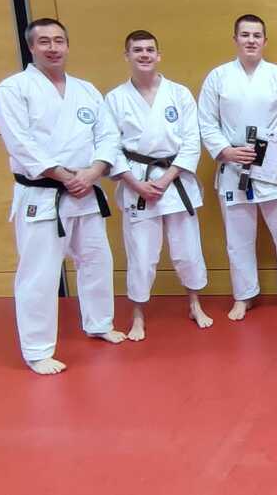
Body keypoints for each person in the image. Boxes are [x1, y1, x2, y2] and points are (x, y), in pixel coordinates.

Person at [0, 18, 125, 375]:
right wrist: (64, 176)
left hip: (86, 189)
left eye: (59, 40)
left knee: (96, 261)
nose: (53, 47)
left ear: (67, 45)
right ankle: (37, 350)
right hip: (43, 194)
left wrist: (93, 171)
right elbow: (21, 144)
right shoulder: (13, 89)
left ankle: (99, 323)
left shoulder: (86, 90)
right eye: (45, 41)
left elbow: (108, 136)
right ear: (31, 47)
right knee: (40, 273)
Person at [197, 14, 277, 321]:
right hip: (234, 168)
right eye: (245, 35)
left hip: (276, 170)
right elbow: (207, 122)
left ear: (265, 41)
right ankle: (244, 296)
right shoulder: (218, 78)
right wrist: (225, 151)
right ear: (235, 39)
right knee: (238, 241)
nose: (251, 40)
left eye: (256, 35)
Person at [106, 30, 211, 341]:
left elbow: (191, 141)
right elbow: (110, 146)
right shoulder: (115, 99)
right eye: (137, 50)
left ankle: (195, 304)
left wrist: (165, 179)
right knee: (141, 255)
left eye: (149, 49)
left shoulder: (179, 93)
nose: (144, 54)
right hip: (136, 182)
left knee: (187, 250)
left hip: (175, 181)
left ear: (158, 55)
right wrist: (135, 183)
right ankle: (138, 315)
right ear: (127, 56)